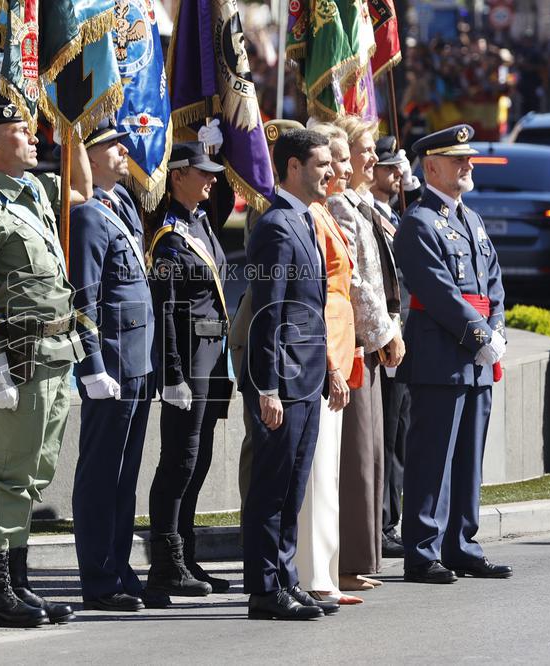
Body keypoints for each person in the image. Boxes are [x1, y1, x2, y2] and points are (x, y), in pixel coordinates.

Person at [0, 100, 91, 628]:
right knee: (11, 474)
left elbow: (83, 191)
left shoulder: (34, 190)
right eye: (22, 130)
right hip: (19, 353)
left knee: (36, 472)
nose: (34, 138)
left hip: (59, 349)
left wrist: (75, 129)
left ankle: (18, 581)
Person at [394, 124, 512, 584]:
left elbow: (494, 282)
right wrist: (482, 336)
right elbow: (440, 294)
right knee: (432, 458)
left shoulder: (472, 220)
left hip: (476, 359)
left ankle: (462, 544)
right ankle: (422, 551)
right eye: (458, 159)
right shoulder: (419, 223)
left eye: (468, 158)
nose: (468, 165)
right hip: (441, 357)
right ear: (431, 167)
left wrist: (496, 329)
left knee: (468, 459)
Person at [242, 128, 331, 620]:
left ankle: (286, 578)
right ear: (293, 167)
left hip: (307, 376)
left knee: (293, 485)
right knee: (271, 487)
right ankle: (263, 589)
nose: (330, 172)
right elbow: (267, 314)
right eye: (321, 164)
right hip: (283, 380)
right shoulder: (276, 225)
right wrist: (267, 386)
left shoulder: (305, 220)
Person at [68, 119, 155, 612]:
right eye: (113, 146)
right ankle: (99, 579)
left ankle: (120, 567)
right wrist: (92, 364)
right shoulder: (87, 217)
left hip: (136, 363)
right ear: (91, 156)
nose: (124, 151)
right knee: (101, 473)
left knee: (125, 474)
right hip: (113, 366)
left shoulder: (121, 205)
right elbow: (86, 296)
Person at [145, 141, 229, 606]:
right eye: (203, 172)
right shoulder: (169, 237)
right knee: (179, 461)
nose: (212, 179)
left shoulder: (201, 223)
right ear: (177, 176)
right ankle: (165, 565)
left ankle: (187, 556)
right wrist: (172, 374)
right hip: (191, 360)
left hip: (212, 355)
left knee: (198, 462)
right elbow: (169, 311)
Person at [327, 115, 404, 592]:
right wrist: (384, 333)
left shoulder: (361, 203)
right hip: (355, 341)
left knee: (372, 453)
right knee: (356, 456)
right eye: (365, 149)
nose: (373, 157)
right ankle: (346, 562)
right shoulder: (339, 203)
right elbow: (352, 280)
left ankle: (358, 559)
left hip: (370, 340)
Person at [293, 122, 362, 606]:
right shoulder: (312, 215)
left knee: (328, 472)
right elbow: (313, 295)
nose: (339, 168)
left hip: (337, 345)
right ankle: (315, 576)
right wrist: (331, 363)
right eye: (330, 159)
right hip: (320, 353)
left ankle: (327, 574)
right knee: (316, 473)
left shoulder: (324, 211)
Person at [231, 118, 304, 512]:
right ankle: (253, 528)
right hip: (260, 327)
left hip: (285, 334)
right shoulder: (268, 207)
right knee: (260, 438)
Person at [369, 136, 410, 560]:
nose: (397, 174)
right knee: (383, 434)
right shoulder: (370, 215)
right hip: (383, 341)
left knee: (399, 434)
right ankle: (379, 522)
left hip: (404, 337)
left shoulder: (395, 214)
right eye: (390, 167)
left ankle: (391, 519)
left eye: (400, 167)